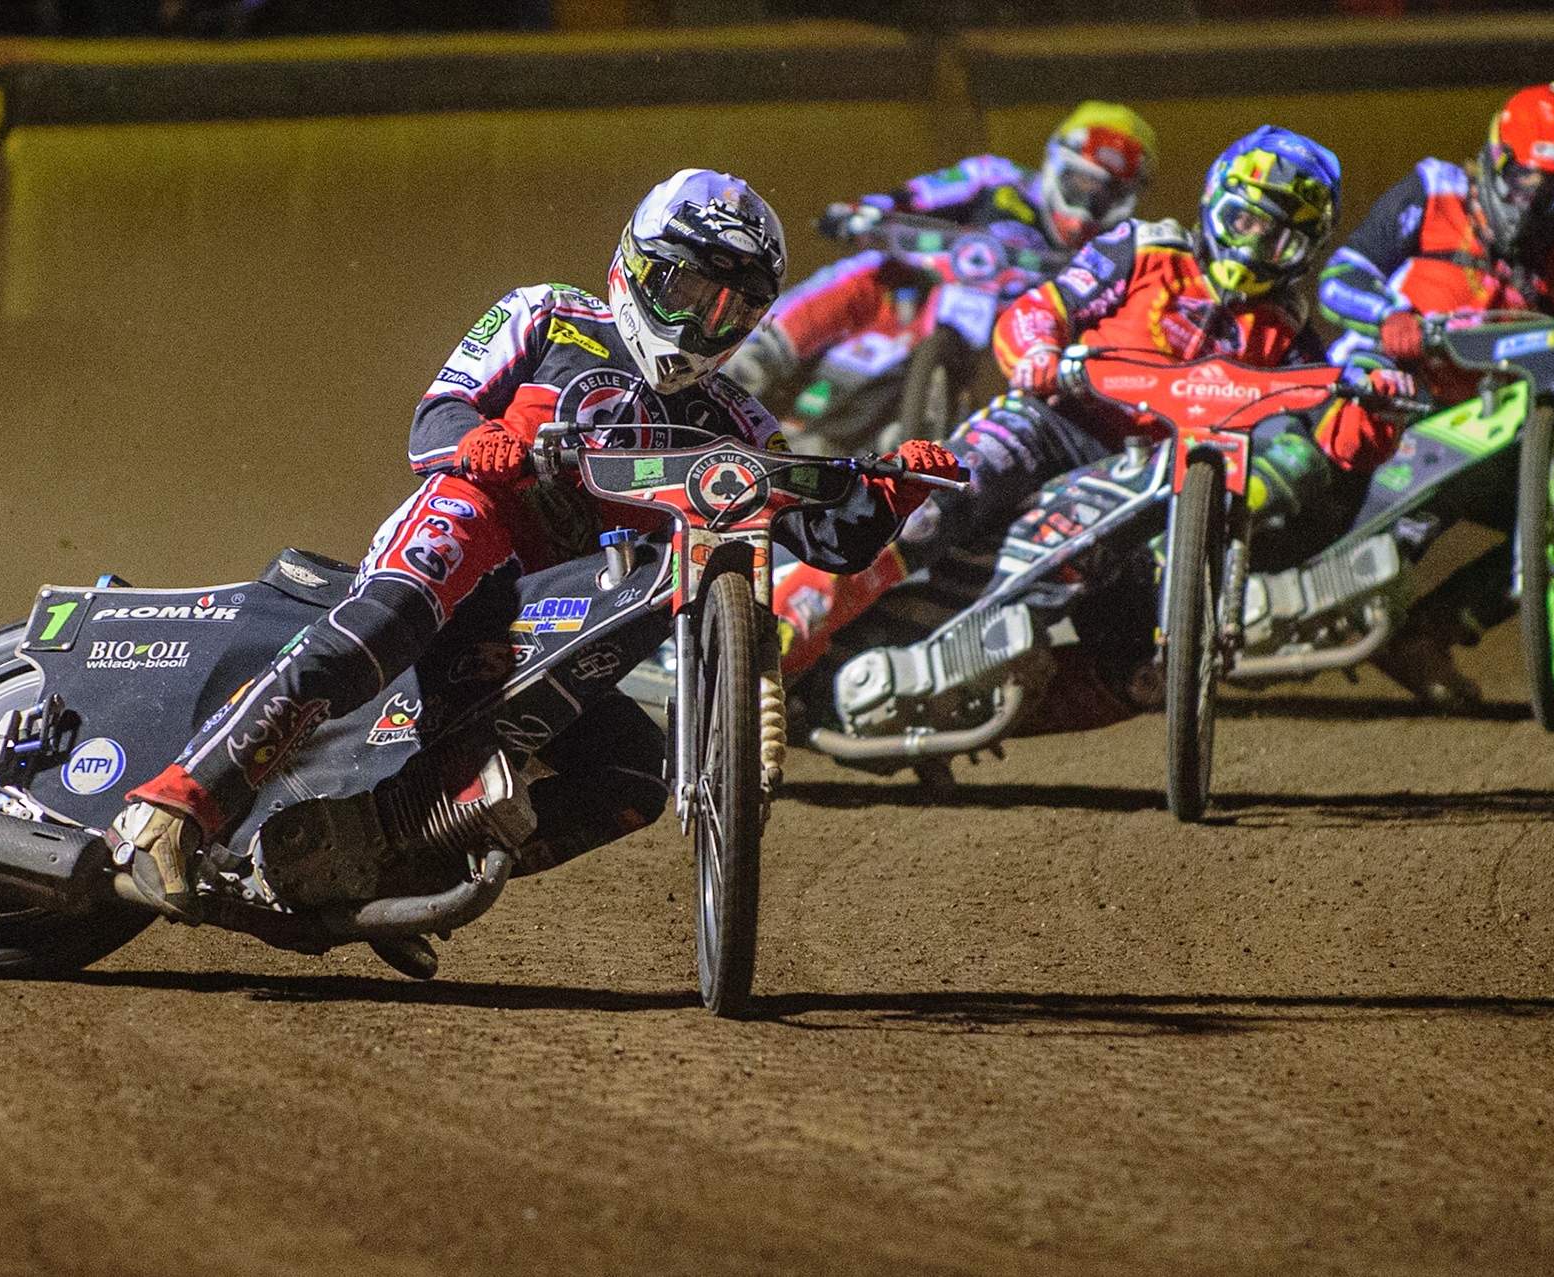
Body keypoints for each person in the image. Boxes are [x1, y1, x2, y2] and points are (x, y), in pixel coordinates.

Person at [107, 168, 960, 942]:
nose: (702, 322)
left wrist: (889, 496)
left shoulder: (735, 417)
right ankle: (173, 807)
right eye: (688, 289)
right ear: (636, 265)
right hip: (476, 526)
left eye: (729, 309)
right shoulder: (547, 312)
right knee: (394, 610)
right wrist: (480, 442)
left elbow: (820, 538)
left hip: (562, 611)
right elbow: (434, 416)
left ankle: (392, 860)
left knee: (633, 776)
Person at [774, 127, 1416, 686]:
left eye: (1279, 240)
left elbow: (1336, 443)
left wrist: (1379, 407)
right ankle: (788, 615)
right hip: (1054, 417)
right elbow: (1040, 308)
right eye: (1246, 222)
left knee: (1107, 633)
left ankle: (953, 687)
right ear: (1217, 206)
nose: (1253, 248)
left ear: (1304, 252)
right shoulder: (1146, 247)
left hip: (1147, 475)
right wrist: (1036, 352)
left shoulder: (1288, 332)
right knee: (936, 490)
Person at [1318, 83, 1554, 704]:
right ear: (1495, 157)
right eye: (1525, 181)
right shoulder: (1432, 193)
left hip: (1479, 432)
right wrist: (1387, 317)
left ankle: (1427, 634)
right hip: (1377, 404)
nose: (1536, 203)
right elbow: (1341, 274)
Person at [725, 101, 1158, 407]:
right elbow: (916, 195)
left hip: (1015, 361)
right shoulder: (994, 178)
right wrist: (862, 213)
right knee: (872, 271)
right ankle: (751, 354)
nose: (1088, 201)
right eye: (1081, 182)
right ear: (1055, 164)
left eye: (1106, 194)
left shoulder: (1115, 250)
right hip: (918, 309)